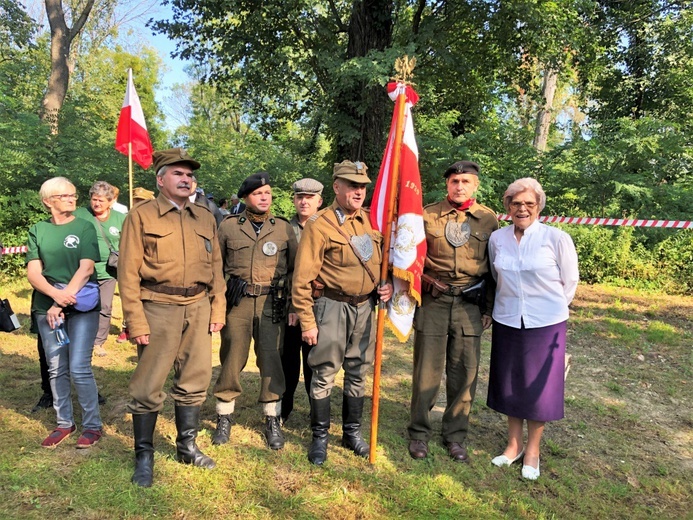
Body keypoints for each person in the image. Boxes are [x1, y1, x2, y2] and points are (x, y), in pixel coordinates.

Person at [118, 148, 226, 487]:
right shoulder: (142, 216)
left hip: (198, 306)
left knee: (195, 379)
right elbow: (128, 272)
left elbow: (217, 269)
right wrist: (135, 319)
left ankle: (187, 446)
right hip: (157, 307)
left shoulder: (206, 217)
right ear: (161, 179)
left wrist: (217, 308)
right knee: (149, 384)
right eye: (178, 173)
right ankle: (144, 455)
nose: (186, 179)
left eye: (189, 174)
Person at [292, 160, 393, 465]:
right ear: (336, 187)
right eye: (351, 185)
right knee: (323, 373)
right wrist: (307, 322)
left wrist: (384, 287)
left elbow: (377, 264)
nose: (358, 191)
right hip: (332, 307)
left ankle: (352, 433)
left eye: (362, 186)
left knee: (358, 371)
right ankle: (320, 436)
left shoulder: (370, 222)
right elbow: (302, 279)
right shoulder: (319, 224)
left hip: (365, 307)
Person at [487, 177, 579, 480]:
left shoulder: (556, 238)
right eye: (515, 203)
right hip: (507, 319)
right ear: (508, 207)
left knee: (538, 389)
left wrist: (550, 310)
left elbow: (570, 282)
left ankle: (533, 451)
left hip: (546, 324)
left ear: (538, 206)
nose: (522, 208)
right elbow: (495, 274)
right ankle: (513, 446)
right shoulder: (497, 239)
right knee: (511, 384)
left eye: (528, 203)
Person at [407, 160, 498, 462]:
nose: (459, 186)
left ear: (476, 185)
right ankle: (420, 432)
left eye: (466, 182)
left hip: (470, 304)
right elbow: (412, 258)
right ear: (446, 184)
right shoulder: (427, 215)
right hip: (434, 300)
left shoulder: (488, 219)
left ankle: (455, 435)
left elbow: (493, 269)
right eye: (454, 181)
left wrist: (488, 308)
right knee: (426, 372)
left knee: (464, 373)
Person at [211, 171, 298, 449]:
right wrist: (217, 305)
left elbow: (296, 270)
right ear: (247, 197)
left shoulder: (283, 228)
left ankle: (272, 418)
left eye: (268, 193)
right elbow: (215, 268)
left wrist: (294, 305)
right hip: (238, 302)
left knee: (272, 359)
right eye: (258, 193)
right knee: (232, 357)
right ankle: (224, 416)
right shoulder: (228, 226)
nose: (264, 197)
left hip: (273, 303)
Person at [26, 177, 104, 448]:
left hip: (80, 305)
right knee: (56, 368)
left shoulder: (84, 227)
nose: (73, 199)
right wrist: (54, 296)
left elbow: (86, 269)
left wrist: (60, 302)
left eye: (73, 195)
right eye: (65, 196)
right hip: (45, 306)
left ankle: (92, 425)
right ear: (49, 201)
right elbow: (33, 272)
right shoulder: (38, 229)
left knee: (79, 367)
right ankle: (64, 423)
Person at [280, 178, 324, 423]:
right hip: (292, 308)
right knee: (288, 361)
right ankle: (284, 409)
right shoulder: (285, 230)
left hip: (322, 305)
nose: (304, 201)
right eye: (299, 197)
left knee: (315, 363)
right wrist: (292, 305)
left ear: (320, 201)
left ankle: (316, 411)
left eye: (310, 197)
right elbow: (284, 272)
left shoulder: (328, 227)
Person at [74, 181, 126, 357]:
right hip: (81, 270)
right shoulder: (80, 214)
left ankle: (98, 342)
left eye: (101, 201)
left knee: (104, 306)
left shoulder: (121, 218)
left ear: (111, 202)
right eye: (94, 199)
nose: (96, 203)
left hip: (108, 272)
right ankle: (79, 337)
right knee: (79, 304)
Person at [115, 187, 155, 344]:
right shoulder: (129, 218)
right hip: (132, 264)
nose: (138, 204)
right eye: (136, 201)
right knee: (130, 295)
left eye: (142, 201)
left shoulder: (156, 219)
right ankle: (127, 328)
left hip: (149, 269)